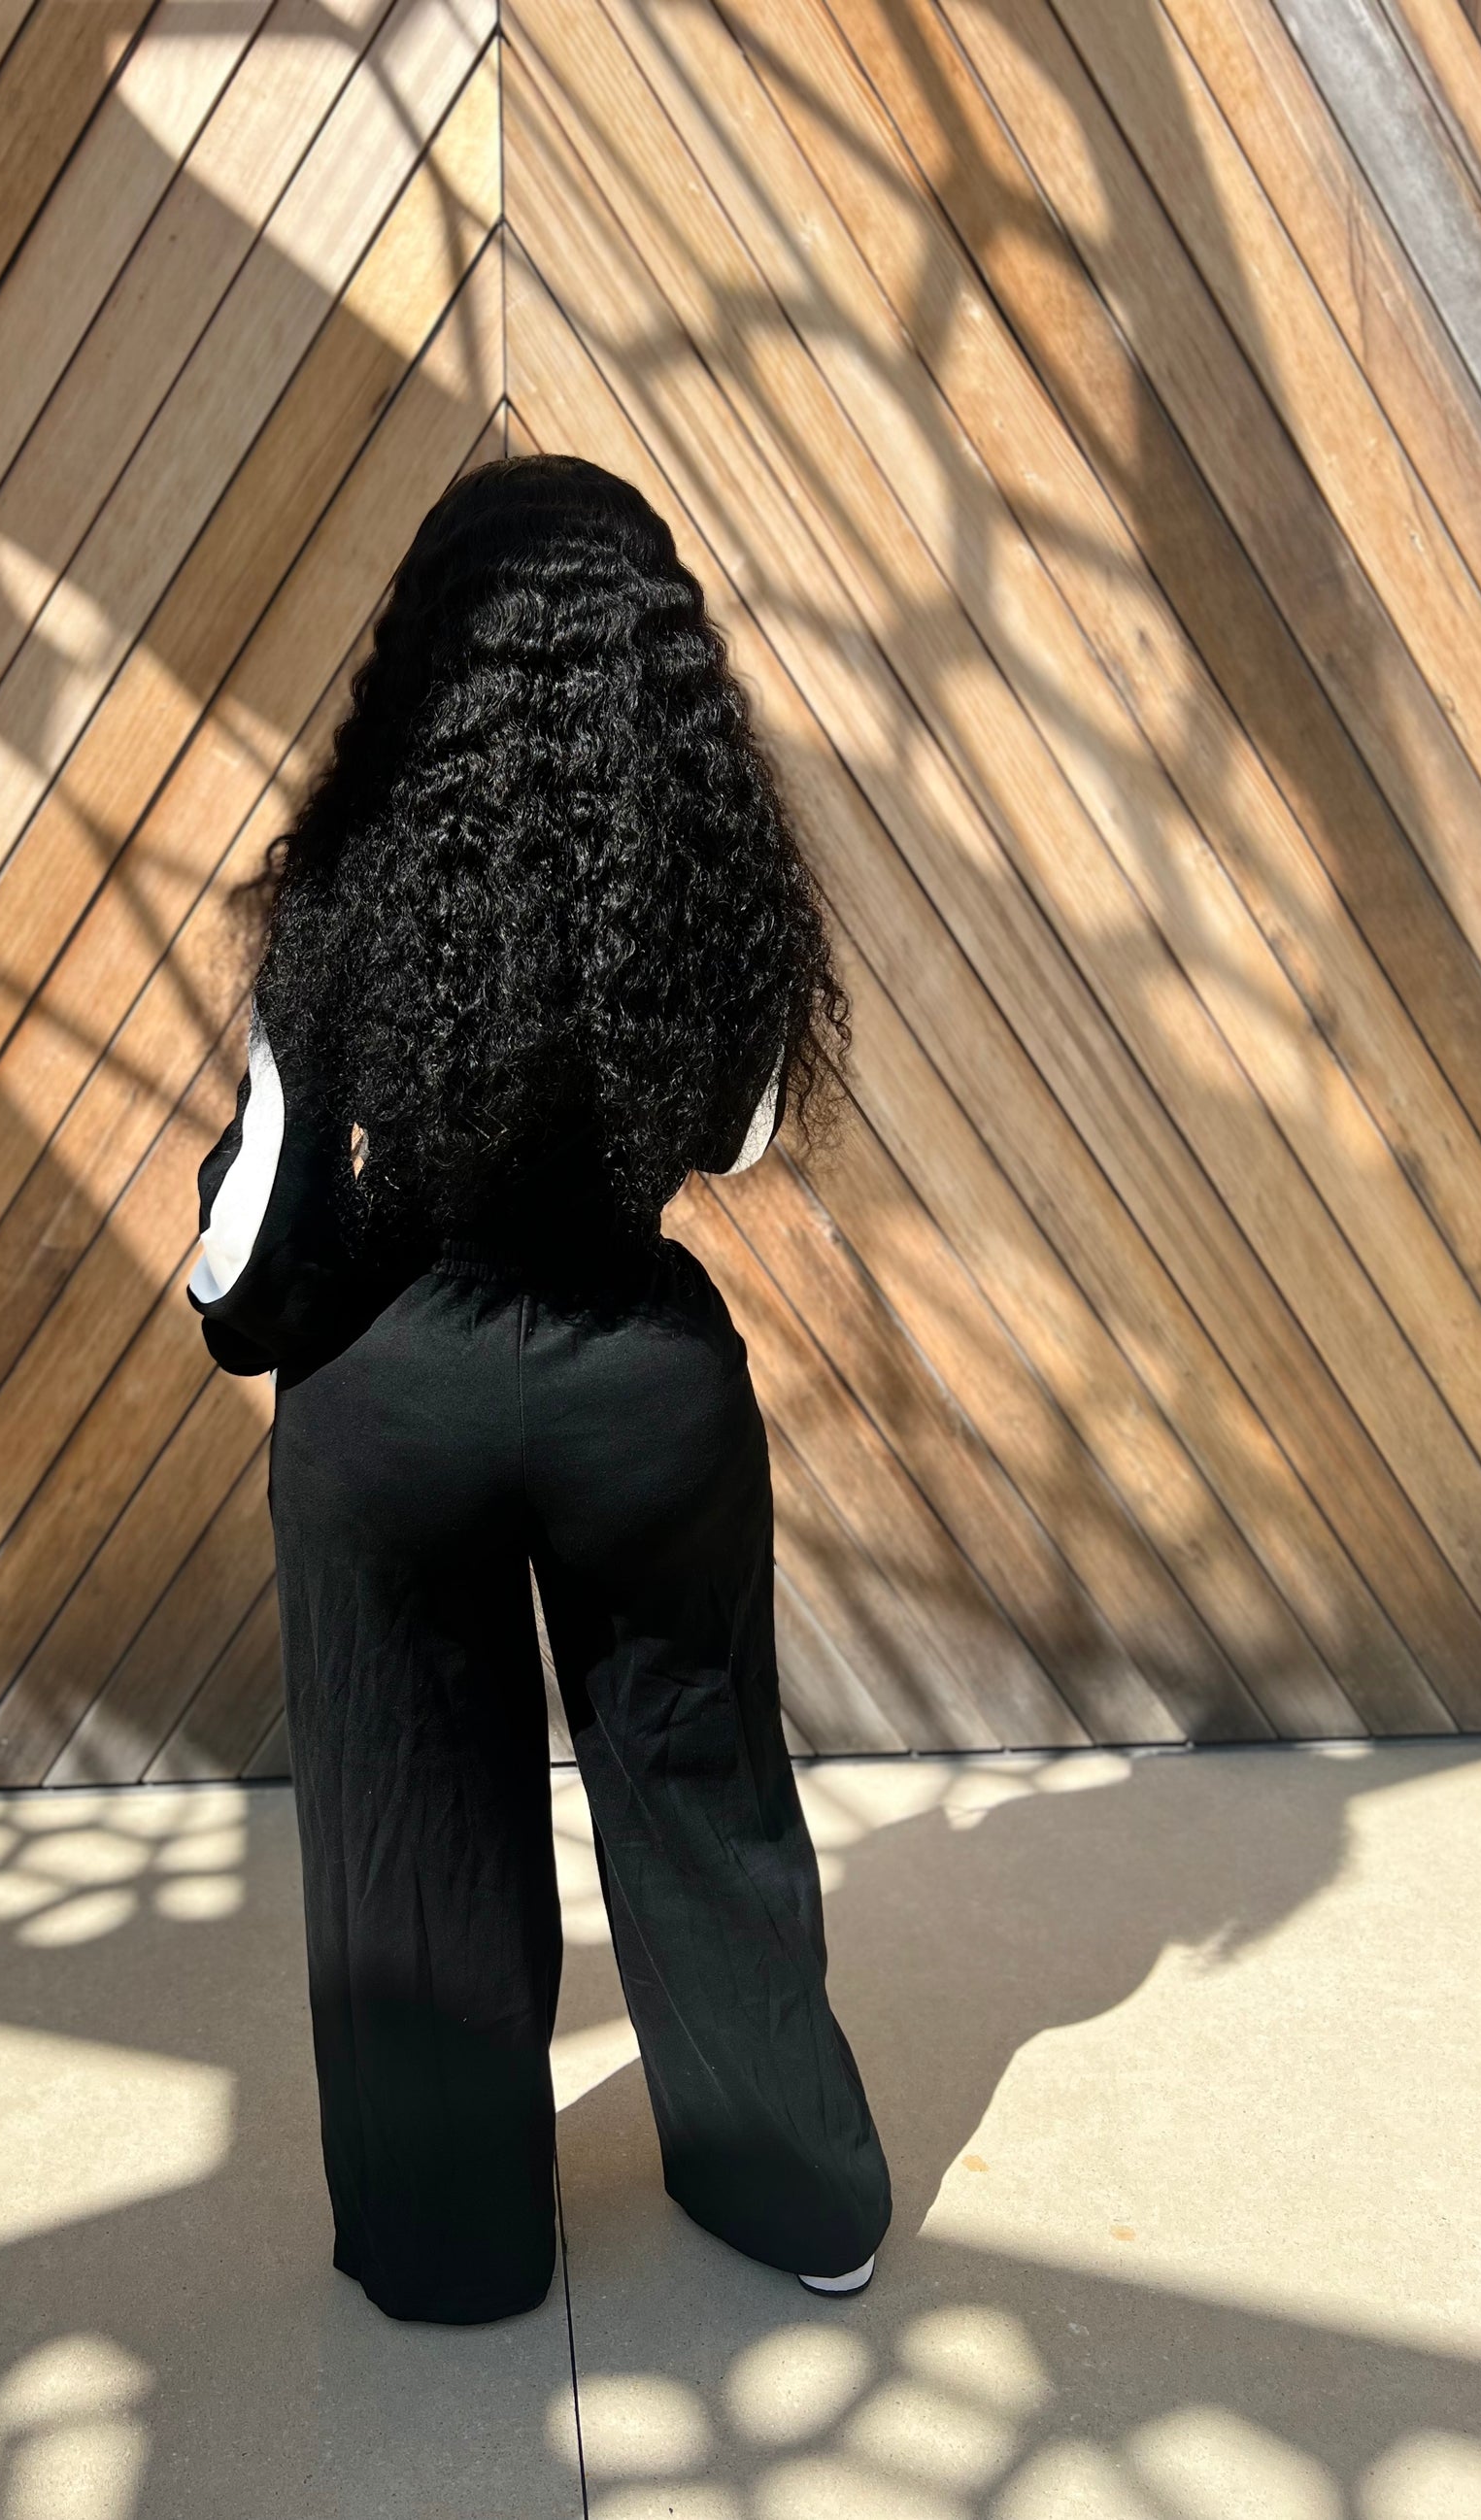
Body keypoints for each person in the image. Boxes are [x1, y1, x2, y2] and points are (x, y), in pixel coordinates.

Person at [187, 454, 891, 2325]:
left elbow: (243, 1266)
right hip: (641, 1397)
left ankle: (452, 2246)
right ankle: (797, 2202)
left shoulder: (336, 893)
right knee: (698, 1786)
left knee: (411, 1820)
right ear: (663, 659)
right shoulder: (723, 893)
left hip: (392, 1406)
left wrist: (328, 1267)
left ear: (425, 650)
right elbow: (730, 1142)